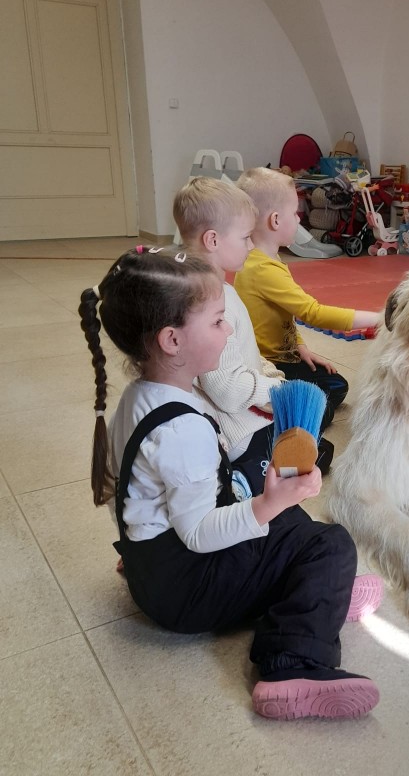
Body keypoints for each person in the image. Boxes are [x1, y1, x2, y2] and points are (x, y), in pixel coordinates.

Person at [78, 247, 380, 720]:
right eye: (219, 321)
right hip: (186, 596)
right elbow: (200, 534)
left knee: (288, 520)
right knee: (331, 543)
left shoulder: (139, 396)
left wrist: (146, 552)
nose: (231, 330)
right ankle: (293, 664)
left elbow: (137, 493)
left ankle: (318, 591)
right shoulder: (184, 430)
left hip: (153, 574)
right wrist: (267, 504)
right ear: (172, 340)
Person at [172, 176, 333, 485]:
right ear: (213, 240)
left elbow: (243, 356)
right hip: (240, 432)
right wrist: (276, 391)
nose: (250, 245)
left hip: (245, 407)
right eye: (246, 237)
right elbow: (226, 389)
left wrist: (270, 375)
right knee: (316, 451)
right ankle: (243, 481)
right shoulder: (212, 303)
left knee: (317, 434)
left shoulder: (210, 289)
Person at [234, 167, 381, 430]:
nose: (299, 219)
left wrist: (301, 348)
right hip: (268, 364)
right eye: (295, 213)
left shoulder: (265, 258)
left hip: (286, 355)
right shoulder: (262, 269)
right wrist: (379, 318)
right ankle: (271, 412)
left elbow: (287, 315)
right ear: (275, 220)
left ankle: (290, 401)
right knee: (322, 411)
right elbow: (313, 313)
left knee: (337, 385)